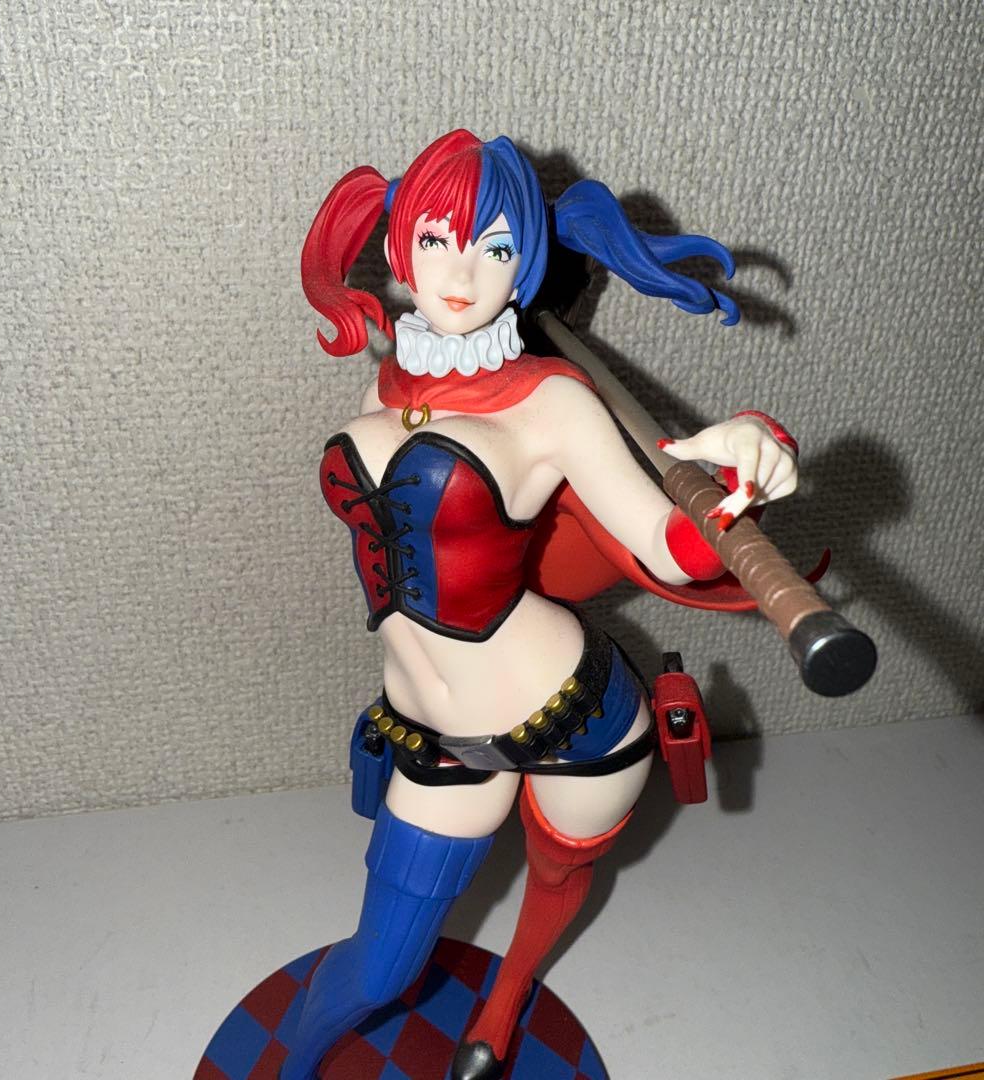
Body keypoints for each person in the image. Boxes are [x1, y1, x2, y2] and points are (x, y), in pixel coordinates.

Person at [284, 130, 798, 1079]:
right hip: (433, 734)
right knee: (380, 967)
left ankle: (506, 998)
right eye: (436, 239)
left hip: (577, 714)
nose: (462, 273)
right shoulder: (388, 381)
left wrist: (739, 475)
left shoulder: (554, 402)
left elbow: (667, 547)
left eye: (496, 247)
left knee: (560, 872)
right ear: (398, 245)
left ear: (525, 263)